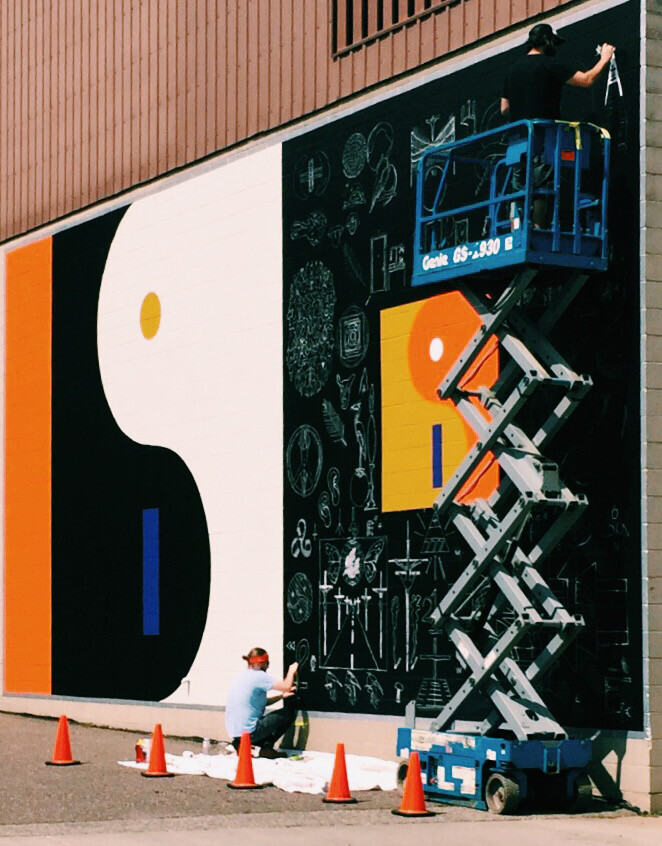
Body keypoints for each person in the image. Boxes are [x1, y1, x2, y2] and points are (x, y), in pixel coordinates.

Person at [501, 23, 615, 228]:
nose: (555, 47)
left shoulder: (512, 70)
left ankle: (516, 231)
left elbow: (504, 108)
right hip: (542, 137)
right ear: (546, 41)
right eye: (554, 43)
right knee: (542, 184)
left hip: (517, 140)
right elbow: (586, 80)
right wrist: (604, 58)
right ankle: (536, 229)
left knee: (519, 188)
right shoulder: (549, 64)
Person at [225, 648, 299, 759]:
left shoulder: (242, 676)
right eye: (268, 663)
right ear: (263, 663)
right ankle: (266, 748)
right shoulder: (259, 675)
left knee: (266, 719)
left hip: (236, 733)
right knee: (288, 714)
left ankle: (240, 744)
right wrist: (291, 670)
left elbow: (261, 703)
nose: (268, 666)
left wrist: (281, 696)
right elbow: (286, 686)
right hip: (250, 732)